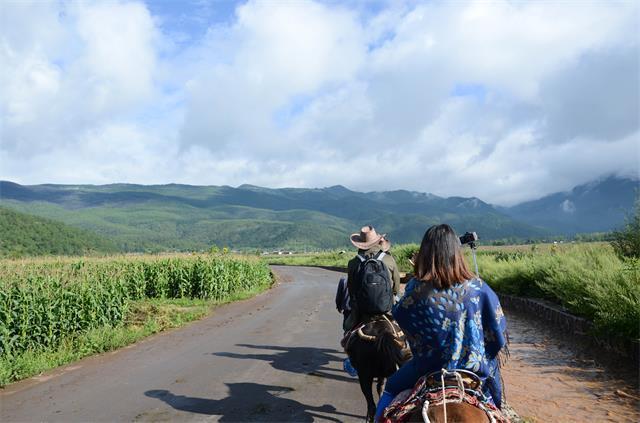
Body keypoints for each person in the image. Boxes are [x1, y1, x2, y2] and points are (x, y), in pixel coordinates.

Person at [374, 224, 508, 421]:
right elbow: (498, 331)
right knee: (496, 401)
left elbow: (400, 316)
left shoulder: (416, 289)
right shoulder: (479, 287)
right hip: (472, 371)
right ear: (456, 251)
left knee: (391, 388)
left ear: (426, 253)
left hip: (429, 369)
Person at [343, 226, 401, 332]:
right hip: (386, 307)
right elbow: (396, 287)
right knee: (403, 329)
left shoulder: (353, 263)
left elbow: (351, 290)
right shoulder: (389, 259)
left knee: (347, 328)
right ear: (378, 242)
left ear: (359, 244)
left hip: (362, 309)